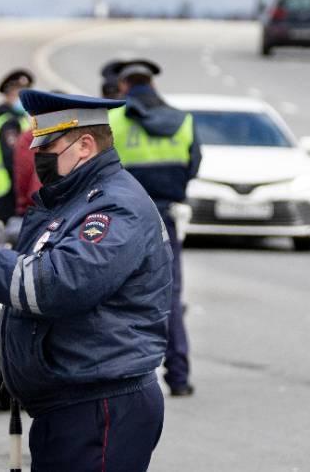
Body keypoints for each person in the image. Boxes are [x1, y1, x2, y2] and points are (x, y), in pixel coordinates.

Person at [0, 90, 172, 471]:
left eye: (47, 145)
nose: (36, 155)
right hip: (70, 402)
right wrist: (18, 362)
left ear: (85, 146)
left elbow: (60, 284)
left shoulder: (114, 206)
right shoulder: (73, 201)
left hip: (100, 403)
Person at [109, 59, 201, 397]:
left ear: (123, 87)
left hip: (124, 218)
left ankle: (127, 375)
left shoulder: (114, 120)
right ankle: (179, 376)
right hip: (166, 216)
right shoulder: (184, 121)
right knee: (170, 295)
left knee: (118, 295)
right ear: (153, 83)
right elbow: (193, 166)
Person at [0, 69, 34, 224]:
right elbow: (13, 159)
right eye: (19, 94)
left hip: (9, 186)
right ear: (8, 94)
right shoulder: (9, 123)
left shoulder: (17, 118)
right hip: (9, 187)